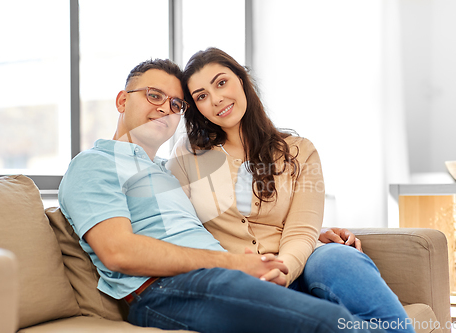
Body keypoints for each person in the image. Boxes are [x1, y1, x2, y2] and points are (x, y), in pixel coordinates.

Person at [58, 58, 386, 333]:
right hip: (166, 290)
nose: (165, 110)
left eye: (176, 104)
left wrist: (316, 232)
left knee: (349, 303)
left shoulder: (167, 170)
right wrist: (234, 264)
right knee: (329, 324)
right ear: (122, 100)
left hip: (222, 279)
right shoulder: (94, 164)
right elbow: (118, 251)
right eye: (154, 95)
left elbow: (235, 214)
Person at [167, 47, 415, 333]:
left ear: (242, 79)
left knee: (342, 262)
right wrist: (249, 273)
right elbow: (183, 229)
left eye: (221, 82)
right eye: (201, 96)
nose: (216, 99)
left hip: (305, 260)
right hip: (241, 278)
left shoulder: (300, 152)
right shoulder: (186, 155)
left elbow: (300, 231)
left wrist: (280, 272)